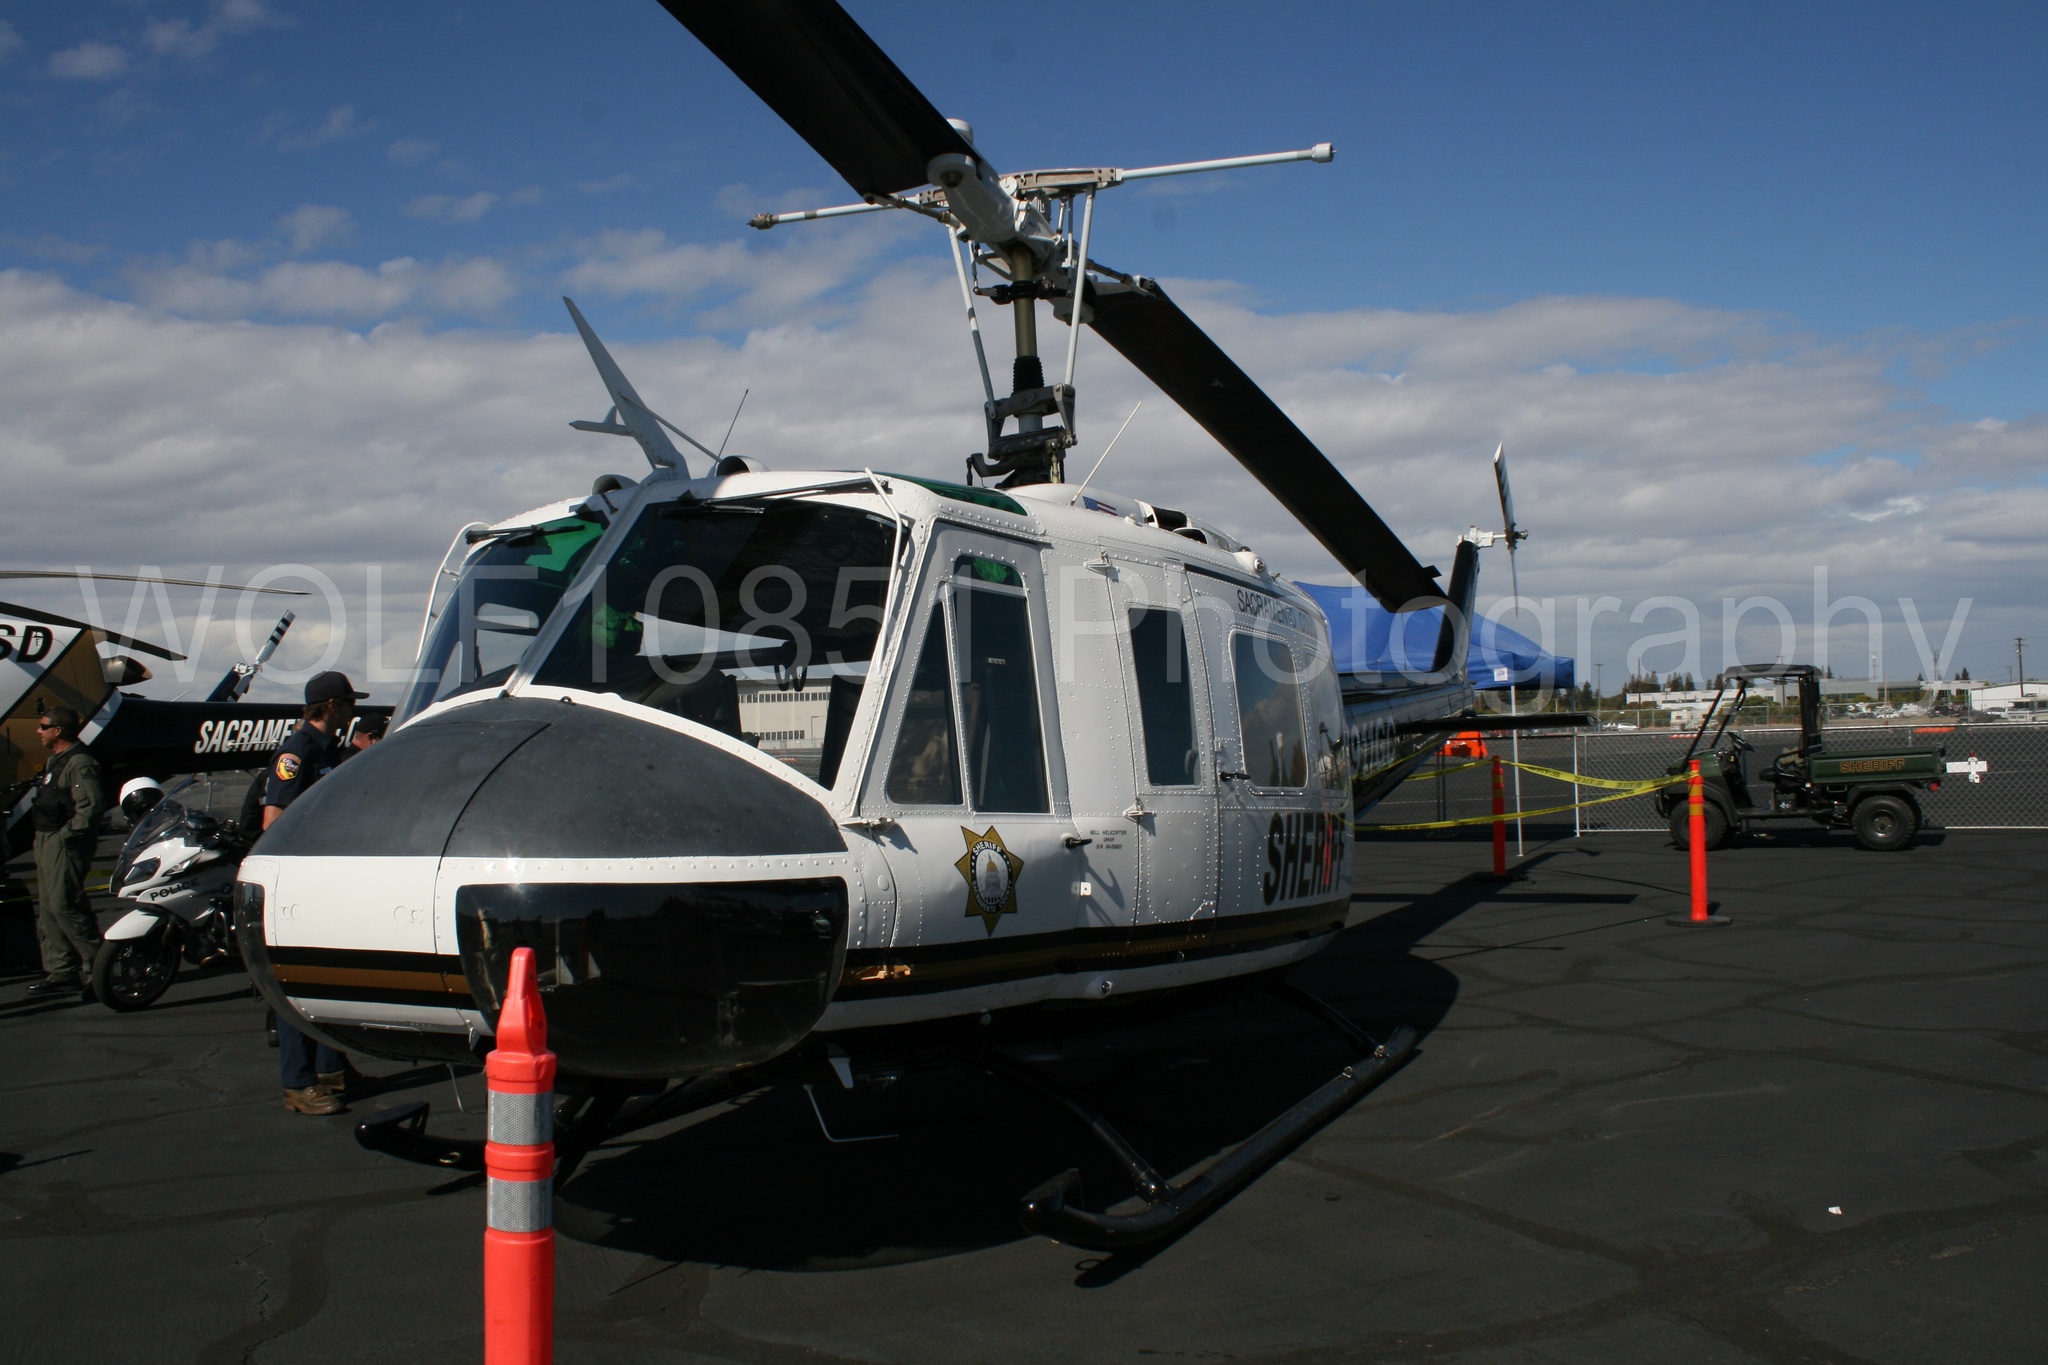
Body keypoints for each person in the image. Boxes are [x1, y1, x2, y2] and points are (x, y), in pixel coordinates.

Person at [259, 670, 370, 1115]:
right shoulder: (297, 751)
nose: (351, 711)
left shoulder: (331, 750)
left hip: (325, 878)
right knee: (297, 983)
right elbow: (273, 820)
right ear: (330, 708)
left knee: (329, 976)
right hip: (299, 881)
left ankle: (330, 1069)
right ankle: (298, 1083)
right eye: (347, 703)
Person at [26, 706, 106, 999]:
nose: (38, 730)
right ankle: (62, 971)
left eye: (42, 726)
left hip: (63, 842)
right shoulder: (55, 761)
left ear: (57, 730)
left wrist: (68, 835)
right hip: (46, 839)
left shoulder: (79, 762)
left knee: (65, 905)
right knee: (48, 907)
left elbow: (92, 805)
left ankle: (99, 970)